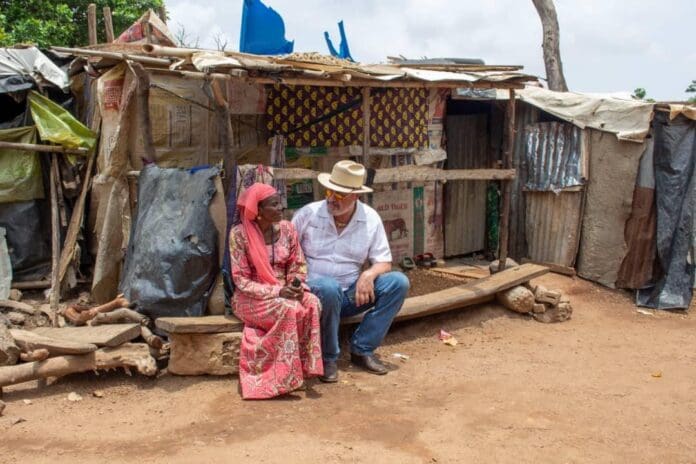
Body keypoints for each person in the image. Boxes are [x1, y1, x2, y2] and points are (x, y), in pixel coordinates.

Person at [292, 160, 409, 382]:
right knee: (328, 287)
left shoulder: (370, 218)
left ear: (356, 196)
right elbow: (285, 250)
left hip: (351, 294)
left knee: (398, 282)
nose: (331, 199)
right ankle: (327, 358)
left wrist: (368, 274)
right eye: (330, 191)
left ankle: (362, 349)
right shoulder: (309, 214)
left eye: (339, 195)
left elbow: (384, 261)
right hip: (314, 293)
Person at [229, 183, 323, 399]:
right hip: (250, 297)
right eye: (274, 204)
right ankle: (283, 378)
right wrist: (278, 291)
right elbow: (241, 280)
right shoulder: (239, 235)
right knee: (288, 308)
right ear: (258, 210)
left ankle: (306, 370)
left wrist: (296, 286)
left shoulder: (288, 229)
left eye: (280, 202)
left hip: (285, 291)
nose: (281, 208)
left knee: (312, 303)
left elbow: (298, 264)